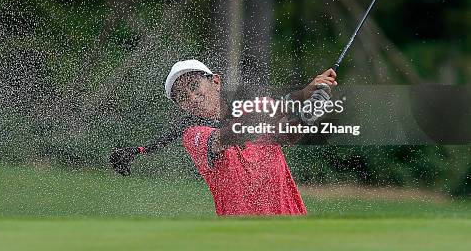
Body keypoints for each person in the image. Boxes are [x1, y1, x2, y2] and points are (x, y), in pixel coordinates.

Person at [110, 59, 337, 216]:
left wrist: (307, 115)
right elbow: (234, 133)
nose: (192, 96)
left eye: (193, 85)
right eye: (182, 96)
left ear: (215, 82)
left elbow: (286, 135)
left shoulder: (252, 109)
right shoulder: (193, 135)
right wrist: (298, 96)